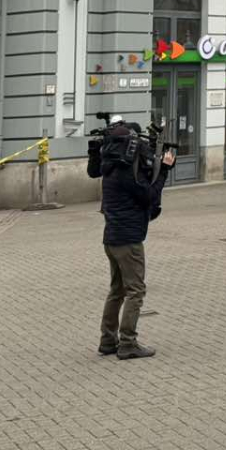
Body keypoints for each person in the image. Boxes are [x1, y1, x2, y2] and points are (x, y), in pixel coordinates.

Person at [98, 122, 176, 360]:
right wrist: (163, 170)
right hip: (128, 239)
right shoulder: (126, 173)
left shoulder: (110, 168)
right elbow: (149, 196)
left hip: (112, 237)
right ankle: (128, 342)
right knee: (136, 290)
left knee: (117, 290)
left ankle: (108, 340)